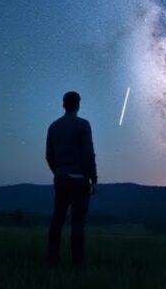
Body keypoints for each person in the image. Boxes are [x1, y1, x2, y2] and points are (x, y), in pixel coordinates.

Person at [45, 90, 97, 267]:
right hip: (79, 180)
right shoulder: (83, 125)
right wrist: (93, 179)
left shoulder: (53, 126)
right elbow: (89, 153)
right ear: (78, 104)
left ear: (63, 104)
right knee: (77, 223)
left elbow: (48, 155)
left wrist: (58, 172)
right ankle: (78, 264)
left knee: (57, 219)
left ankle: (52, 260)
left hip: (61, 179)